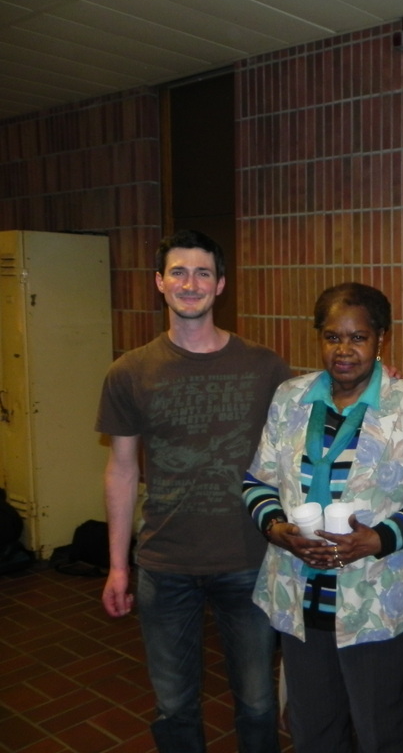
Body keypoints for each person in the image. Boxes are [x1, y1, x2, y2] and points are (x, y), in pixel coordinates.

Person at [97, 229, 291, 753]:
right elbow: (121, 471)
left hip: (247, 559)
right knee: (174, 706)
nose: (190, 283)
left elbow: (313, 412)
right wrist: (118, 566)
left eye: (203, 273)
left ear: (220, 284)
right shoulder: (129, 372)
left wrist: (377, 381)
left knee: (257, 703)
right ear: (159, 283)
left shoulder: (264, 366)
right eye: (178, 272)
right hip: (165, 562)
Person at [243, 283, 403, 753]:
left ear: (381, 338)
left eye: (358, 337)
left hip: (374, 599)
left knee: (381, 731)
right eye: (332, 337)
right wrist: (275, 528)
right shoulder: (290, 398)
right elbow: (257, 480)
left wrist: (378, 539)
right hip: (300, 594)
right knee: (314, 730)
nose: (344, 350)